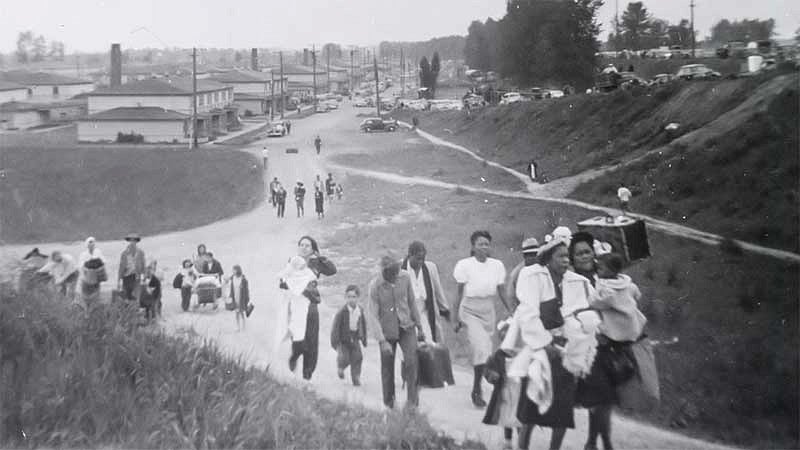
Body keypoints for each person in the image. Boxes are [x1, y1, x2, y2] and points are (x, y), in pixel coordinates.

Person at [513, 237, 600, 450]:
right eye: (560, 256)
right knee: (530, 410)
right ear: (548, 259)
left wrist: (578, 337)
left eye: (566, 257)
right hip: (539, 352)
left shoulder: (578, 283)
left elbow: (588, 313)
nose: (565, 260)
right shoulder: (535, 278)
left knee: (562, 411)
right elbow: (528, 314)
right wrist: (545, 344)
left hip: (567, 354)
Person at [453, 231, 510, 407]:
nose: (484, 247)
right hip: (470, 310)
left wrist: (512, 310)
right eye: (480, 244)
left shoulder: (497, 265)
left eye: (487, 244)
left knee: (483, 351)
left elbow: (501, 291)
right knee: (481, 346)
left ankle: (476, 388)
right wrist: (455, 317)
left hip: (488, 311)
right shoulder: (465, 265)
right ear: (473, 246)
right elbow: (459, 293)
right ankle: (487, 383)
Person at [367, 253, 424, 409]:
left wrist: (419, 326)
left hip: (407, 326)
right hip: (387, 332)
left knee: (412, 362)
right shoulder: (375, 285)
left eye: (397, 272)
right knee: (387, 368)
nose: (395, 276)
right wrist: (382, 340)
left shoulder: (404, 277)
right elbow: (372, 315)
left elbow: (412, 301)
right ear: (383, 272)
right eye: (392, 274)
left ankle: (412, 403)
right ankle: (389, 404)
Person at [285, 236, 337, 380]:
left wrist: (321, 258)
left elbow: (332, 271)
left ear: (313, 249)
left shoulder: (316, 263)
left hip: (312, 305)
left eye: (307, 245)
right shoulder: (292, 262)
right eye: (301, 244)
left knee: (312, 341)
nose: (303, 247)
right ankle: (295, 356)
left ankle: (307, 374)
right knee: (298, 338)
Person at [401, 241, 450, 344]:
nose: (421, 262)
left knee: (428, 343)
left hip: (424, 312)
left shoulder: (430, 268)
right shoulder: (400, 269)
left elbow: (438, 290)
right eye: (418, 258)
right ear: (410, 255)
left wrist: (445, 310)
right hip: (406, 313)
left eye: (423, 259)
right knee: (410, 346)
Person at [330, 285, 367, 386]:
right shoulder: (342, 312)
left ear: (358, 298)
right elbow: (335, 327)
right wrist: (335, 343)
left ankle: (356, 377)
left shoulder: (360, 310)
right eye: (349, 297)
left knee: (358, 357)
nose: (351, 299)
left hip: (355, 336)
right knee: (345, 357)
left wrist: (364, 339)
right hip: (343, 338)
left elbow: (362, 324)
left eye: (354, 297)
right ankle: (340, 368)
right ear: (346, 297)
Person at [506, 237, 540, 310]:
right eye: (530, 255)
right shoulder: (516, 273)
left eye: (535, 254)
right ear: (524, 256)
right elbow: (511, 297)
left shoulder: (542, 269)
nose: (533, 258)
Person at [78, 236, 106, 306]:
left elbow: (104, 261)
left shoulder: (98, 252)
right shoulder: (83, 254)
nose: (91, 245)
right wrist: (89, 266)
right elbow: (80, 265)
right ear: (87, 245)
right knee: (85, 296)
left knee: (96, 295)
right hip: (86, 278)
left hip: (96, 278)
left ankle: (94, 308)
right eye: (89, 243)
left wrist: (96, 264)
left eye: (93, 243)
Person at [118, 234, 146, 302]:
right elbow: (121, 267)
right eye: (131, 240)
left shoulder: (141, 253)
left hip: (136, 277)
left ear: (136, 242)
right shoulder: (124, 254)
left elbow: (143, 265)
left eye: (134, 240)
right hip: (126, 277)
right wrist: (118, 280)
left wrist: (144, 276)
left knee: (136, 297)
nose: (132, 242)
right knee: (126, 298)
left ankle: (135, 310)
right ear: (129, 241)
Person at [229, 265, 251, 331]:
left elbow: (246, 290)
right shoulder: (232, 278)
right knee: (236, 312)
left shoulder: (243, 279)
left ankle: (244, 326)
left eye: (234, 270)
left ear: (237, 270)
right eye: (233, 270)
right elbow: (230, 287)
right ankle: (238, 326)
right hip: (235, 296)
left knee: (241, 312)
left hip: (241, 297)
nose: (233, 271)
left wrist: (247, 299)